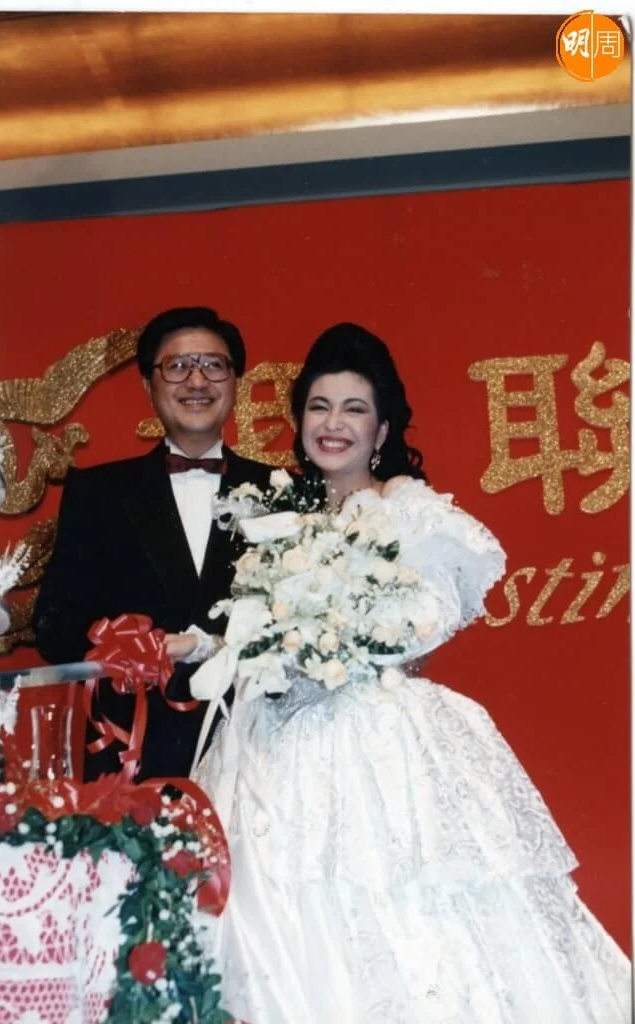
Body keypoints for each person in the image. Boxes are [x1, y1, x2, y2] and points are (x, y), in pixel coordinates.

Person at [180, 323, 630, 1022]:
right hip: (271, 741)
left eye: (353, 409)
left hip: (375, 740)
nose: (333, 424)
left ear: (382, 429)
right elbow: (249, 628)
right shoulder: (277, 516)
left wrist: (331, 632)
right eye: (319, 406)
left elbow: (427, 621)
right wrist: (211, 644)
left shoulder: (407, 509)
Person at [33, 306, 272, 781]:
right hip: (133, 761)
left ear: (235, 382)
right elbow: (54, 629)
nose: (197, 381)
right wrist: (128, 646)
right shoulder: (97, 493)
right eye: (178, 366)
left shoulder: (283, 492)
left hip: (255, 756)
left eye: (214, 365)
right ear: (148, 385)